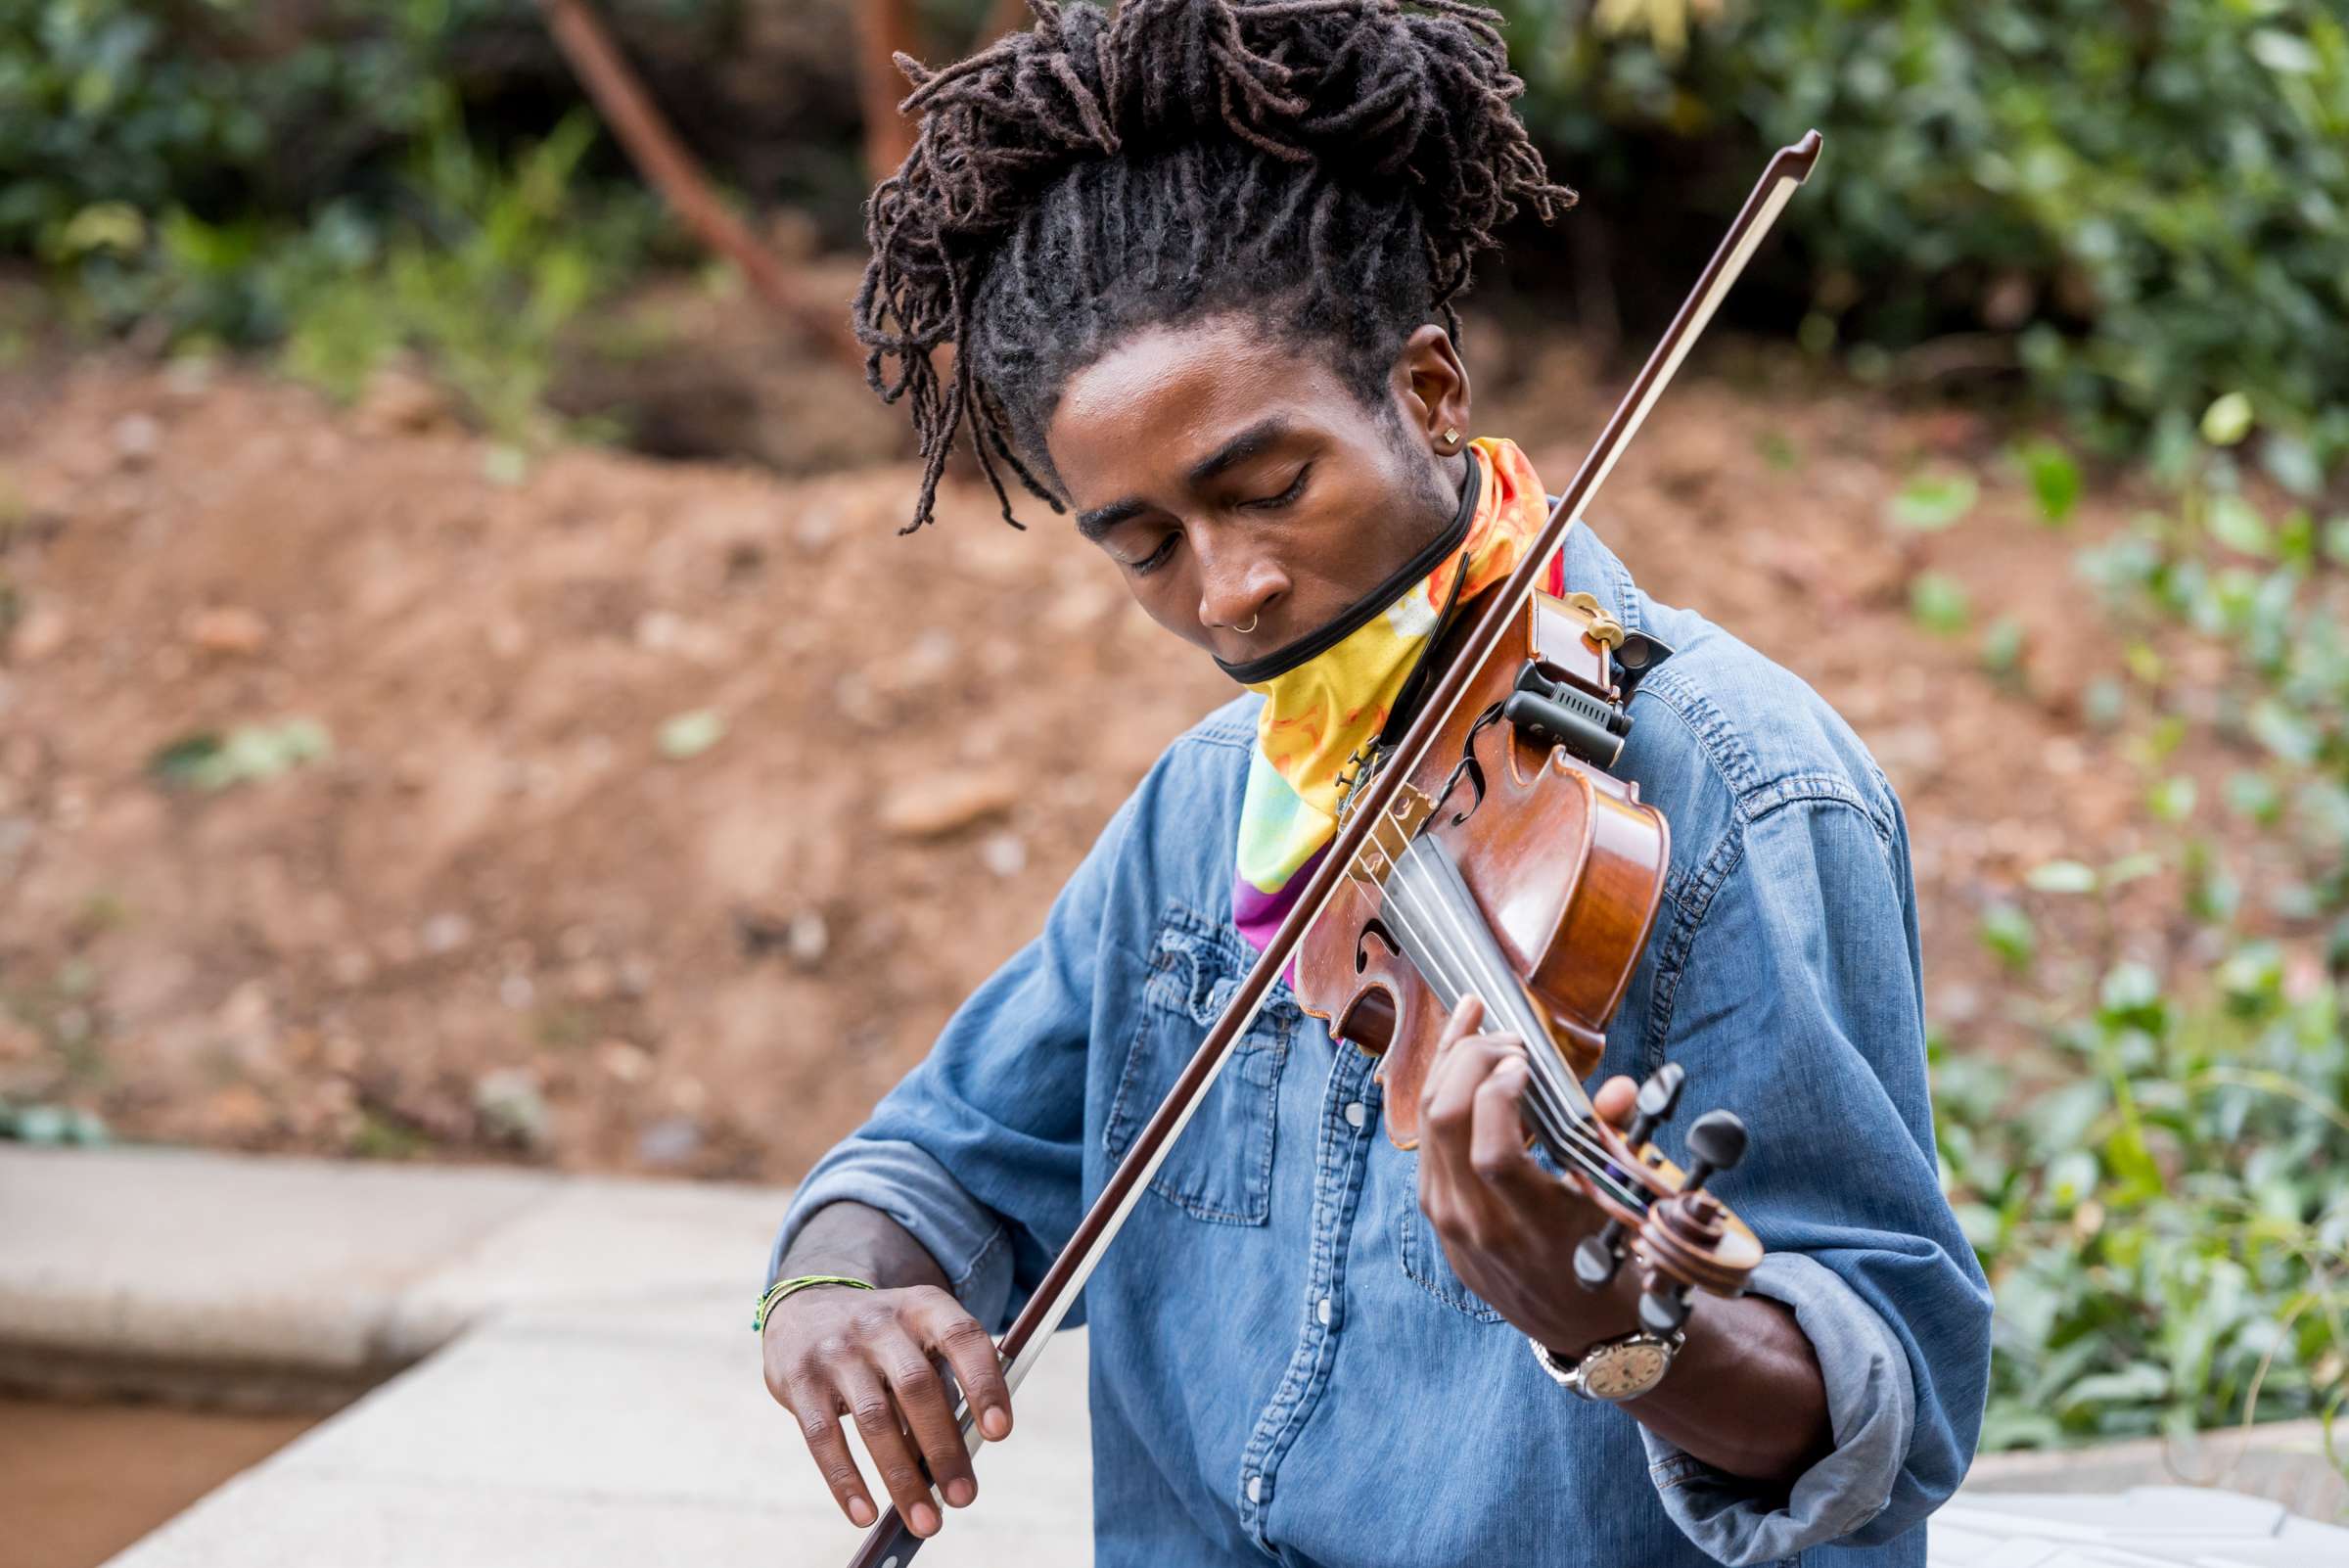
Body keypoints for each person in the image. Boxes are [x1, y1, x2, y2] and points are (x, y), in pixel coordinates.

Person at [760, 3, 1992, 1564]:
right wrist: (832, 1290)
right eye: (1141, 545)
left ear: (1425, 394)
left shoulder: (1736, 785)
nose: (1227, 592)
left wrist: (1612, 1318)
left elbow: (1892, 1411)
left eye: (1268, 489)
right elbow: (933, 1161)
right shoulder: (1217, 802)